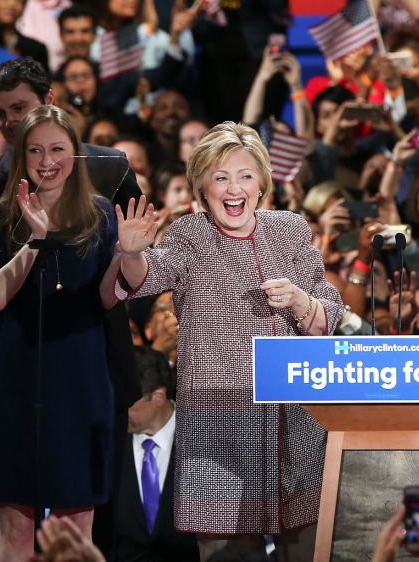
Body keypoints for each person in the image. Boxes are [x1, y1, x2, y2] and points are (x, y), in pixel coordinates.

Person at [105, 121, 344, 560]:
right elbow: (145, 278)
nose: (234, 189)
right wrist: (132, 252)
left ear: (261, 184)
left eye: (245, 175)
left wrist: (299, 301)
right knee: (226, 553)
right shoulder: (189, 236)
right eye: (220, 177)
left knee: (307, 549)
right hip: (219, 427)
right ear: (201, 187)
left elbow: (329, 308)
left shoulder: (290, 229)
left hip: (296, 426)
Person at [0, 105, 127, 559]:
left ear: (75, 154)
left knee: (75, 526)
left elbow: (107, 296)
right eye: (35, 150)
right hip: (16, 381)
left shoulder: (100, 215)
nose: (47, 160)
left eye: (57, 149)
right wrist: (34, 240)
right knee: (16, 525)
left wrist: (127, 254)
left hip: (79, 379)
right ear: (20, 157)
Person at [115, 346, 201, 560]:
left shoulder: (203, 439)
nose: (117, 409)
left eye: (127, 402)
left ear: (158, 396)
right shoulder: (108, 442)